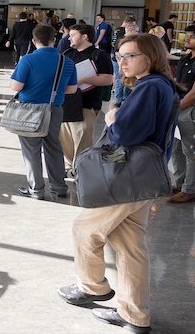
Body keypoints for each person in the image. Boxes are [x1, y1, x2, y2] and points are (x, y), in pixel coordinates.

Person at [58, 33, 178, 334]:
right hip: (144, 176)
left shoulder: (150, 87)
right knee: (130, 247)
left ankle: (92, 287)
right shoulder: (163, 85)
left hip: (127, 177)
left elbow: (126, 134)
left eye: (129, 56)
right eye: (120, 56)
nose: (121, 61)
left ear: (149, 58)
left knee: (85, 229)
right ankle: (134, 315)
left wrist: (113, 118)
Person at [9, 25, 78, 199]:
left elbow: (15, 86)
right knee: (54, 147)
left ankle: (36, 190)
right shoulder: (67, 61)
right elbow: (72, 89)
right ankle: (59, 187)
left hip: (29, 111)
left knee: (31, 150)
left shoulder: (27, 60)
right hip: (54, 110)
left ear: (34, 41)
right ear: (54, 40)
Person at [60, 24, 114, 172]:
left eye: (73, 35)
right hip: (66, 103)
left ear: (84, 37)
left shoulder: (99, 55)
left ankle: (82, 170)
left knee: (82, 140)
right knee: (65, 140)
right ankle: (70, 167)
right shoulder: (68, 53)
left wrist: (83, 79)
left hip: (87, 104)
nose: (69, 38)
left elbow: (108, 80)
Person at [168, 25, 195, 203]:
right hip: (179, 107)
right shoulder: (185, 59)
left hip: (189, 110)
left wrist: (176, 108)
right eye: (187, 36)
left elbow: (193, 94)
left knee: (190, 150)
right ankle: (179, 181)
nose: (187, 39)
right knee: (176, 147)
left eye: (192, 37)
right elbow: (176, 83)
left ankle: (190, 188)